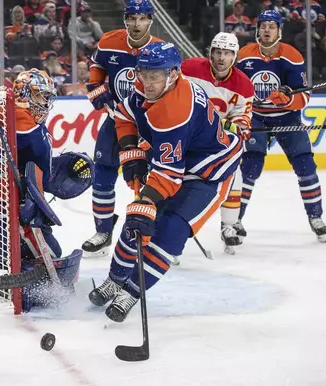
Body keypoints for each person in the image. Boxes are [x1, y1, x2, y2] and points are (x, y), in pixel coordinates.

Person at [88, 42, 243, 322]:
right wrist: (131, 152)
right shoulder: (147, 85)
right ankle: (114, 280)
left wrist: (146, 202)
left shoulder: (174, 111)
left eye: (155, 75)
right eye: (144, 73)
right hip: (174, 162)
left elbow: (169, 175)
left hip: (209, 173)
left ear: (172, 74)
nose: (147, 81)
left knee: (169, 230)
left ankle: (131, 292)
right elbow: (124, 115)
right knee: (134, 224)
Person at [0, 69, 93, 311]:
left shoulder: (13, 116)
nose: (46, 103)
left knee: (42, 251)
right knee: (0, 249)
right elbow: (37, 167)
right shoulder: (20, 117)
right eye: (40, 97)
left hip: (2, 201)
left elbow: (31, 169)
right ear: (23, 94)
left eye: (47, 98)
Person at [236, 10, 326, 243]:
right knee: (250, 167)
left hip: (287, 118)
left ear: (279, 30)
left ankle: (315, 216)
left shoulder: (292, 55)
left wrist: (288, 99)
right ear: (258, 29)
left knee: (306, 165)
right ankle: (235, 220)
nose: (267, 30)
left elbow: (304, 97)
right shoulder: (244, 55)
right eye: (263, 25)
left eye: (272, 26)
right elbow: (236, 91)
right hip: (257, 118)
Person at [81, 0, 162, 258]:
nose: (137, 24)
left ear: (150, 20)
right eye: (132, 18)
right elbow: (97, 68)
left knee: (154, 180)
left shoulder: (161, 49)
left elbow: (171, 86)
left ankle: (155, 234)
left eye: (142, 18)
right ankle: (103, 232)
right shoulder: (108, 41)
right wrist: (96, 89)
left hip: (150, 126)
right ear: (125, 19)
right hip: (116, 119)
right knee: (103, 174)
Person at [181, 32, 254, 254]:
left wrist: (239, 125)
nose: (222, 58)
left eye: (227, 53)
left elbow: (243, 115)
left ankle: (228, 226)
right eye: (218, 52)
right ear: (210, 53)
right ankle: (166, 228)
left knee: (235, 176)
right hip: (185, 135)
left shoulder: (244, 85)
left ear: (235, 56)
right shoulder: (189, 68)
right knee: (173, 179)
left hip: (217, 143)